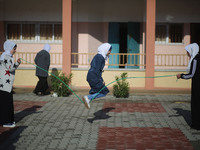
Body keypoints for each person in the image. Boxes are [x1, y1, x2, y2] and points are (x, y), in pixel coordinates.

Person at [176, 43, 200, 130]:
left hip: (197, 86)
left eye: (188, 51)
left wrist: (181, 76)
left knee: (196, 104)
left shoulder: (195, 60)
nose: (187, 53)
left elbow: (191, 75)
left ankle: (196, 125)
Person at [82, 43, 112, 109]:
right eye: (109, 50)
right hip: (93, 77)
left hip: (91, 76)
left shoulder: (98, 56)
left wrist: (101, 79)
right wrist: (101, 80)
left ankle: (88, 98)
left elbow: (96, 69)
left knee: (97, 90)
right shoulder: (100, 58)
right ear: (105, 49)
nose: (110, 52)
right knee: (104, 91)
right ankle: (88, 98)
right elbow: (97, 70)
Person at [0, 40, 21, 128]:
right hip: (4, 85)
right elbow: (10, 68)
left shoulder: (7, 56)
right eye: (14, 49)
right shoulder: (5, 57)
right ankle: (6, 121)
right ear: (9, 48)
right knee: (6, 104)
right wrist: (17, 63)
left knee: (7, 103)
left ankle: (9, 120)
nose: (15, 50)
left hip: (6, 85)